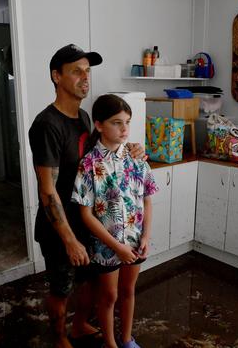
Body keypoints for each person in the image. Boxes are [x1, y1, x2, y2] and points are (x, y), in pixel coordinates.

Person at [28, 44, 144, 348]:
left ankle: (79, 326)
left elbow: (102, 152)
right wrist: (69, 239)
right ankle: (61, 339)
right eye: (76, 71)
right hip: (59, 228)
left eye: (87, 71)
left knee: (92, 282)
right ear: (56, 76)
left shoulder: (81, 117)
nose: (85, 77)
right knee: (62, 289)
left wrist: (132, 149)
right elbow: (47, 188)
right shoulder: (46, 125)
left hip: (87, 220)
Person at [72, 94, 158, 348]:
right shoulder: (88, 164)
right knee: (109, 296)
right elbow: (85, 215)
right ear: (98, 125)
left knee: (129, 291)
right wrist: (116, 246)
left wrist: (145, 237)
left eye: (127, 122)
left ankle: (127, 339)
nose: (124, 129)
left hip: (134, 242)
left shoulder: (136, 159)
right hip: (106, 246)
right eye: (116, 123)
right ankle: (110, 343)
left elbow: (148, 199)